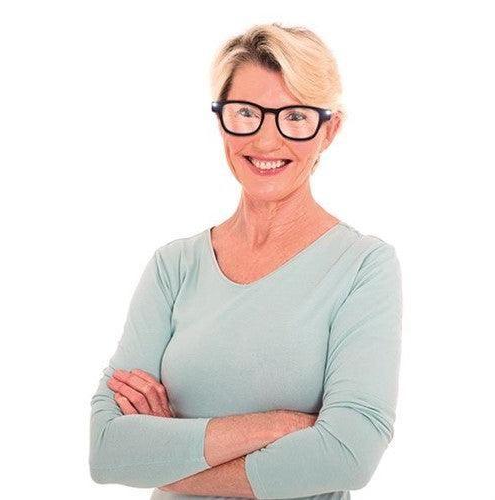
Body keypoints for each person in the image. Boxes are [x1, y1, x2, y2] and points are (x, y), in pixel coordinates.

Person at [88, 22, 403, 500]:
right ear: (222, 120)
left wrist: (166, 458)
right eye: (247, 113)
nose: (267, 141)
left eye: (295, 116)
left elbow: (348, 454)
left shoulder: (363, 266)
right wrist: (279, 425)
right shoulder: (174, 267)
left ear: (329, 129)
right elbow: (108, 449)